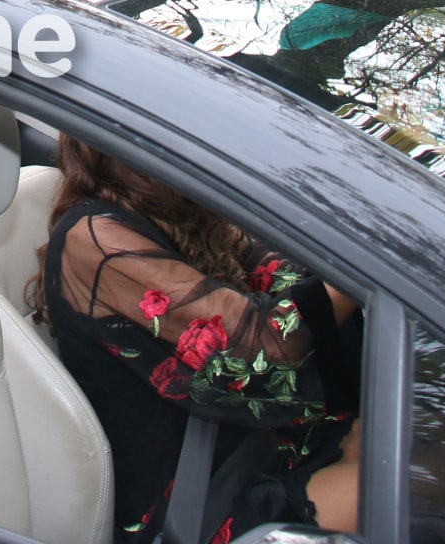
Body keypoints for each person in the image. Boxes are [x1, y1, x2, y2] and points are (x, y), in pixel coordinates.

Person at [34, 136, 361, 540]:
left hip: (245, 442)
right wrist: (371, 272)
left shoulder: (176, 205)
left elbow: (276, 276)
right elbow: (265, 345)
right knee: (389, 488)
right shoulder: (96, 241)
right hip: (192, 498)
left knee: (402, 454)